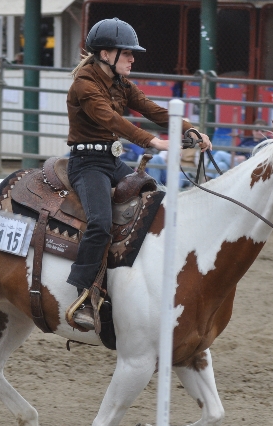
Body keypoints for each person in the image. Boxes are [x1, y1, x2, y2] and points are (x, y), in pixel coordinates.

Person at [64, 17, 211, 330]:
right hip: (87, 165)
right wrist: (152, 141)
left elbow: (152, 108)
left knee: (156, 202)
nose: (132, 58)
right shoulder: (84, 86)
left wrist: (190, 129)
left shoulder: (120, 83)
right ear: (106, 54)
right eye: (127, 53)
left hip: (111, 161)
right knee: (100, 223)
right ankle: (84, 294)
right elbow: (112, 120)